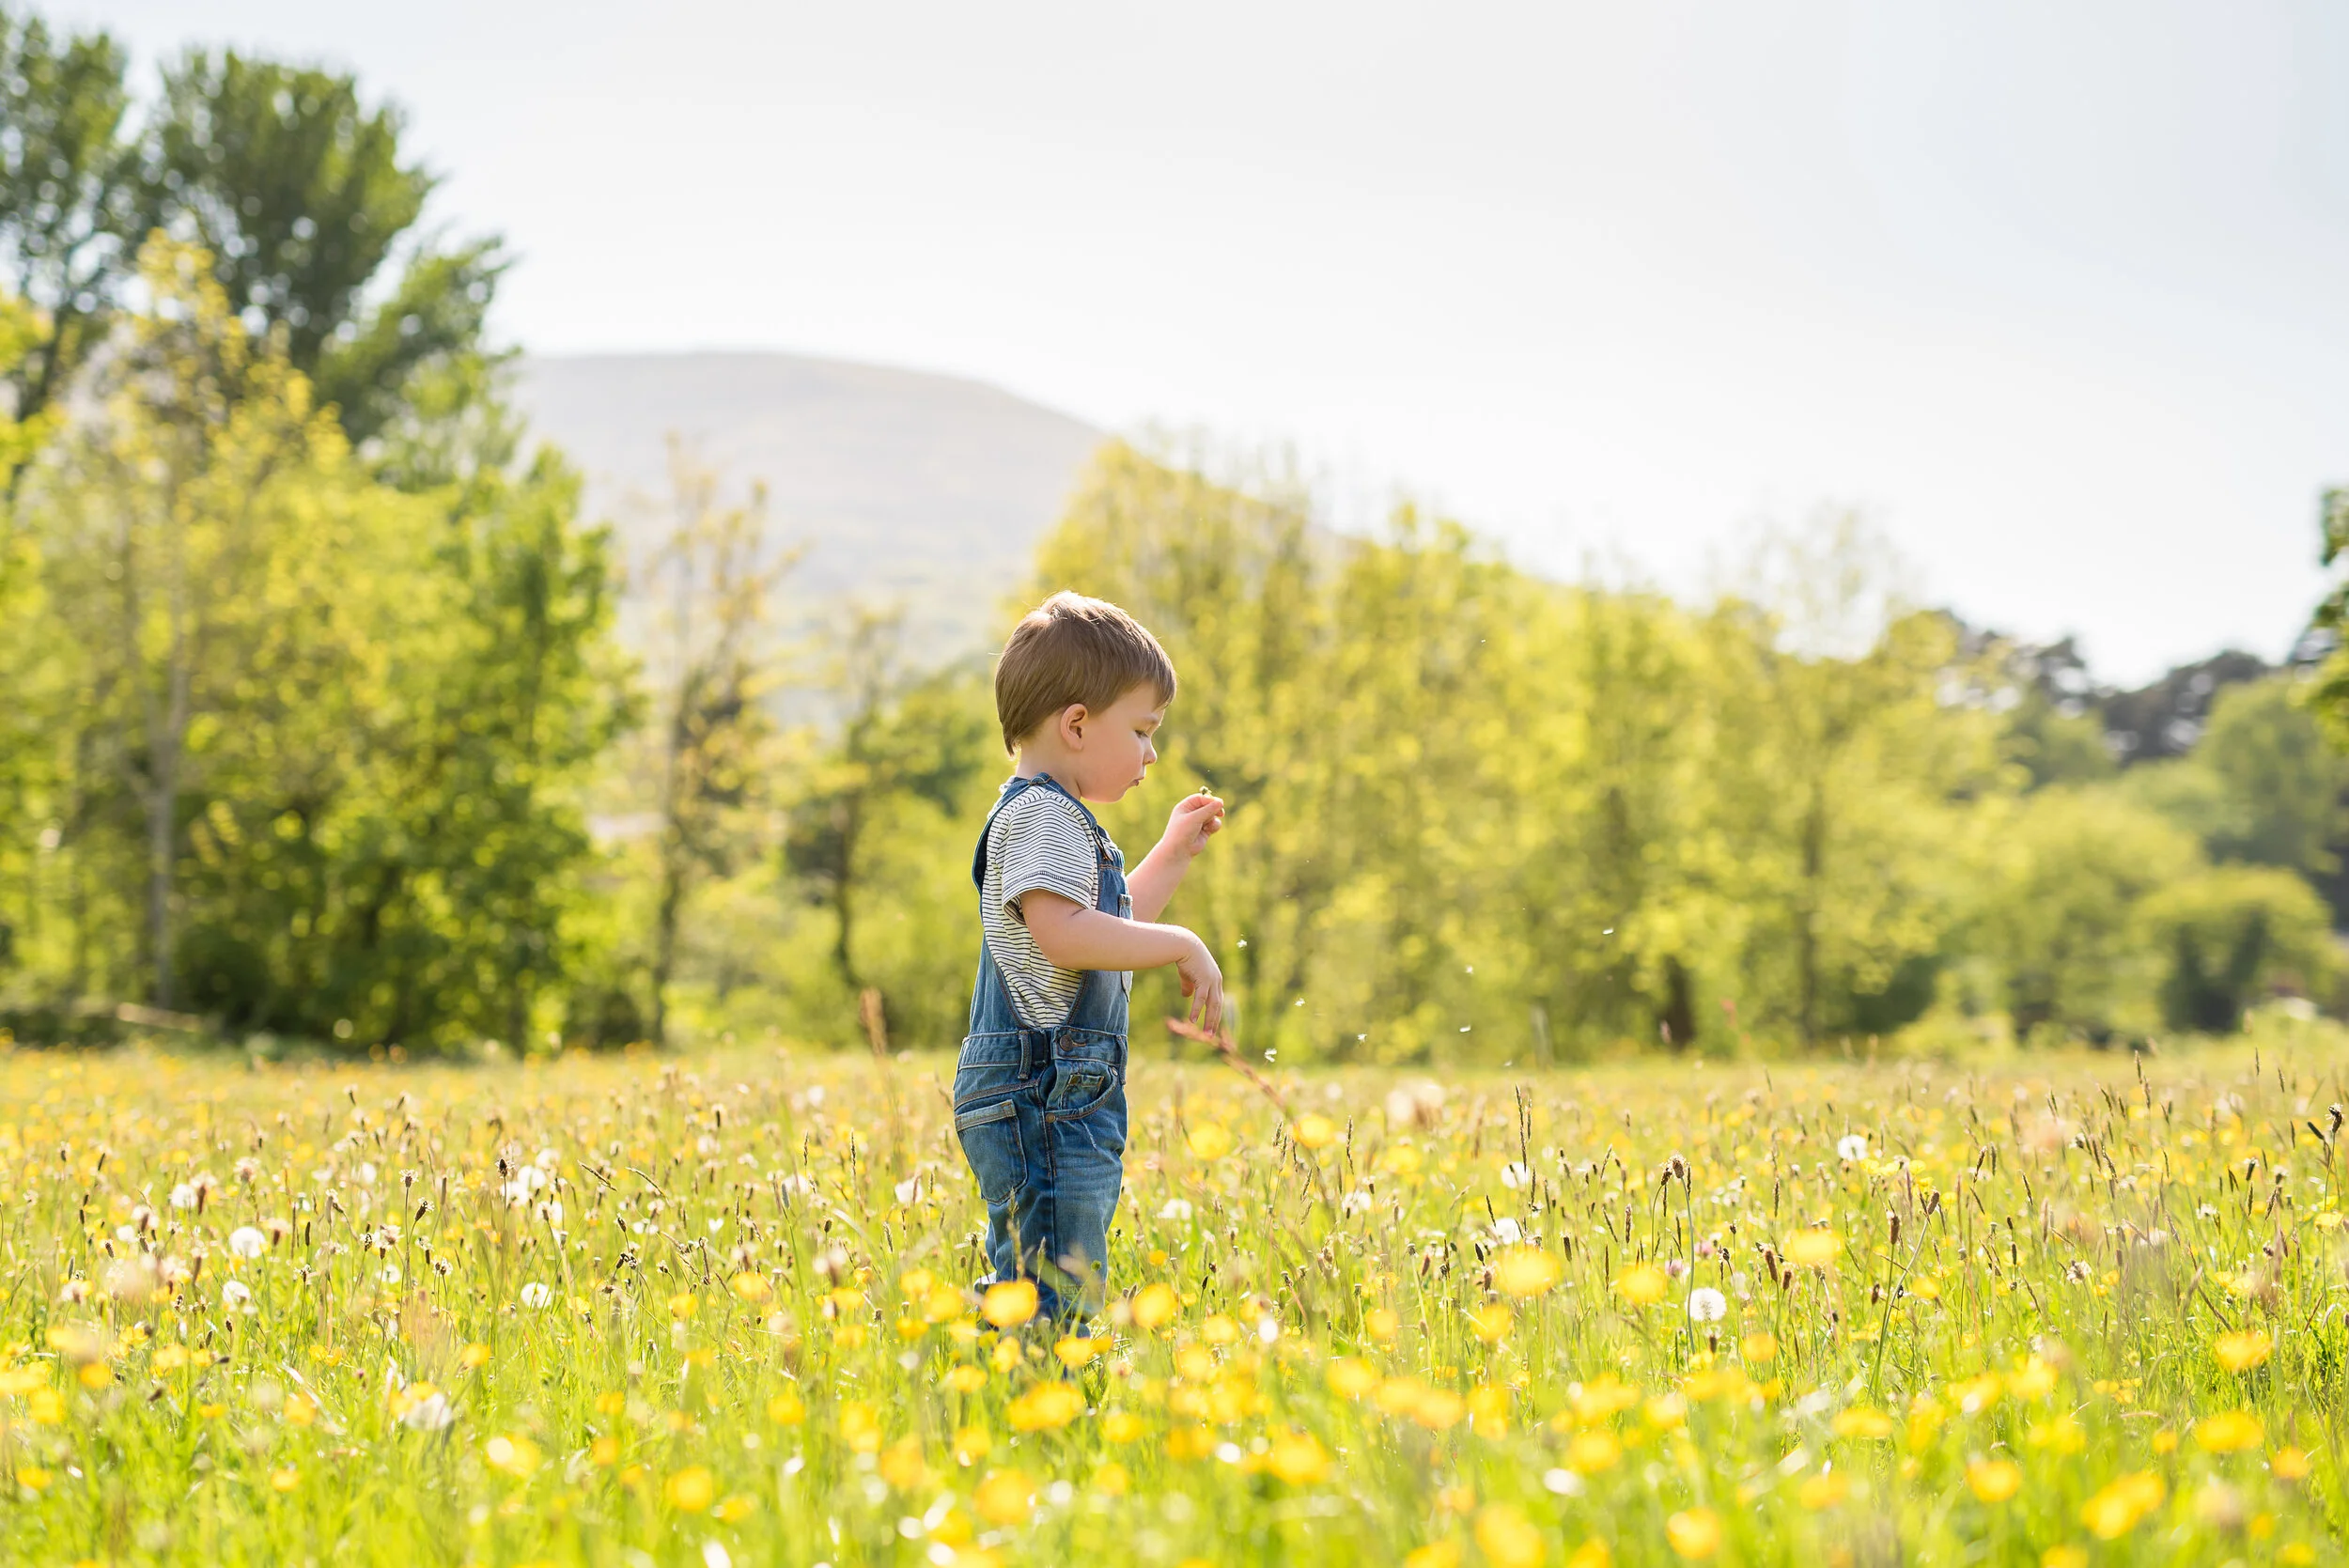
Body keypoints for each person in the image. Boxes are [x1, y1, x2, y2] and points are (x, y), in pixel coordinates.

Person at [953, 591, 1226, 1325]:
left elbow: (1106, 927)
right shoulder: (1042, 812)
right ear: (1076, 723)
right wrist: (1186, 944)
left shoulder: (1058, 815)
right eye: (1141, 730)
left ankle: (1020, 1395)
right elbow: (1067, 935)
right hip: (1043, 1089)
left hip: (1059, 1090)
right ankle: (1029, 1406)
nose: (1152, 753)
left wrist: (1171, 853)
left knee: (1052, 1274)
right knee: (1050, 1285)